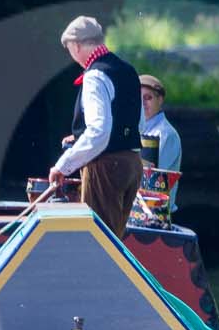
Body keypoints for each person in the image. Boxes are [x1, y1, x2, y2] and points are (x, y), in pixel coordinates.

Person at [48, 15, 145, 232]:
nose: (71, 55)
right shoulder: (128, 70)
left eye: (70, 49)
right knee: (114, 237)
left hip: (106, 166)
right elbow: (139, 122)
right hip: (132, 163)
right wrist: (81, 137)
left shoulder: (95, 75)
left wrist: (63, 166)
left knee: (99, 240)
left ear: (78, 45)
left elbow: (99, 131)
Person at [138, 73, 184, 212]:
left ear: (161, 99)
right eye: (139, 98)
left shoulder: (166, 134)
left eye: (148, 98)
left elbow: (152, 178)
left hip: (157, 214)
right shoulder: (135, 127)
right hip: (137, 209)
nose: (143, 103)